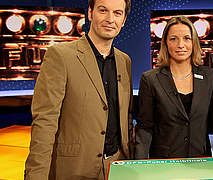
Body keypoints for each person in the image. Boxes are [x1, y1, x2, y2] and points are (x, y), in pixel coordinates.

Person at [24, 0, 133, 179]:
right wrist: (36, 175)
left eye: (117, 13)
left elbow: (125, 116)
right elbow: (45, 121)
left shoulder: (125, 61)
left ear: (124, 19)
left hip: (117, 167)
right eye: (103, 10)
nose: (110, 19)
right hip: (73, 169)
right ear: (90, 13)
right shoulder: (60, 55)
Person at [135, 16, 213, 159]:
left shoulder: (210, 77)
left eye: (186, 38)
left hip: (201, 161)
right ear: (165, 43)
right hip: (164, 163)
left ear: (194, 42)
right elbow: (145, 127)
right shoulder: (150, 79)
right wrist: (138, 165)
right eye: (173, 39)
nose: (180, 45)